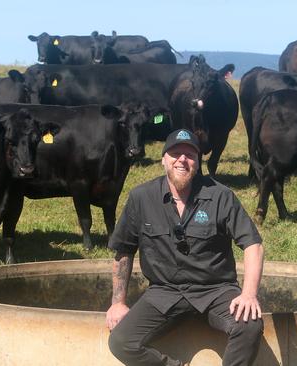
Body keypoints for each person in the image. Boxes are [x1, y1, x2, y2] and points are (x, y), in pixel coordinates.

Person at [106, 129, 264, 366]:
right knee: (120, 341)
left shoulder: (220, 196)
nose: (182, 159)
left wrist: (249, 294)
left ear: (198, 162)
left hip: (216, 290)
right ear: (163, 160)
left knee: (250, 325)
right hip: (164, 292)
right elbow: (123, 250)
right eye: (175, 153)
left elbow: (253, 245)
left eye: (189, 154)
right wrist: (118, 303)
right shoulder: (142, 198)